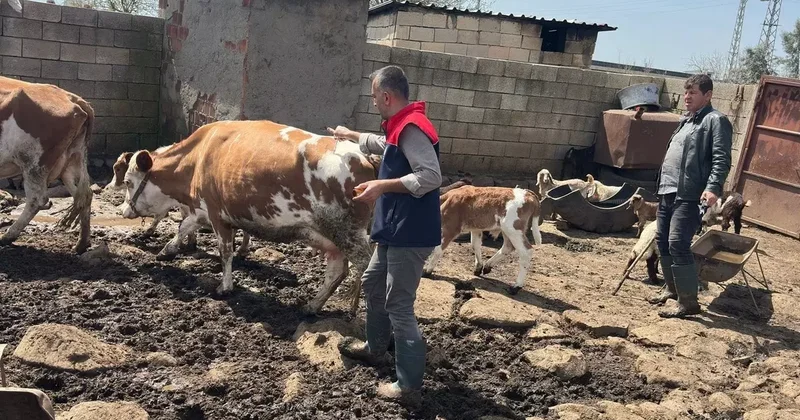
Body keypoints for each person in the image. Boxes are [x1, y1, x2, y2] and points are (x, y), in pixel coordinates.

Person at [327, 65, 442, 405]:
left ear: (387, 96)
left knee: (399, 304)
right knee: (373, 281)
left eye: (375, 96)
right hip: (394, 227)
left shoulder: (412, 128)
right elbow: (385, 144)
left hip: (411, 231)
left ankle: (408, 386)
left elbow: (430, 176)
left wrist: (381, 186)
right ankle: (376, 347)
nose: (374, 102)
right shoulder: (401, 124)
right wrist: (350, 135)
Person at [649, 73, 732, 318]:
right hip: (668, 190)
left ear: (708, 95)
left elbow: (721, 158)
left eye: (693, 92)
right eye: (685, 92)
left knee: (677, 243)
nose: (687, 97)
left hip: (689, 193)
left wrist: (713, 187)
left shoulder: (715, 121)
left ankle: (688, 302)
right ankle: (672, 289)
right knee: (662, 240)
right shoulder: (687, 121)